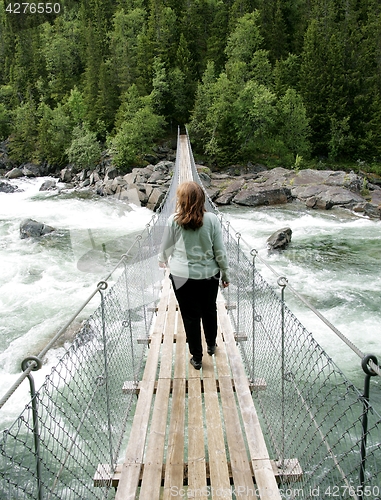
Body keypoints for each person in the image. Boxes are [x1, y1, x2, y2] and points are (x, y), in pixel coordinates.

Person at [158, 181, 229, 370]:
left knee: (190, 316)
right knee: (209, 309)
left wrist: (162, 259)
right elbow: (220, 250)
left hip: (181, 276)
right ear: (201, 199)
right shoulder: (212, 219)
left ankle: (197, 358)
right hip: (209, 275)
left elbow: (166, 247)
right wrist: (226, 273)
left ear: (181, 200)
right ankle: (211, 345)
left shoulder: (173, 220)